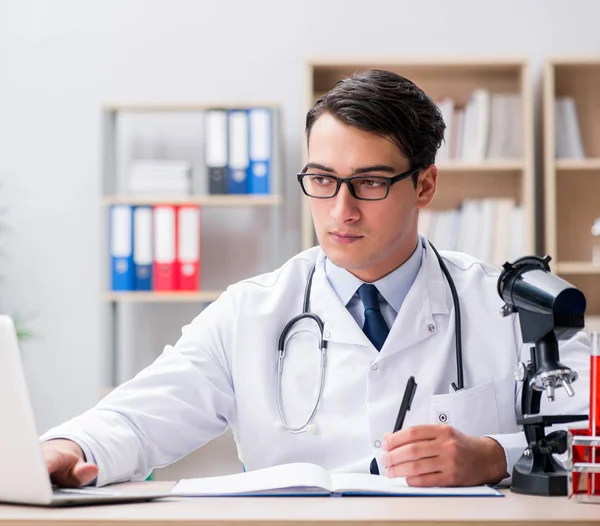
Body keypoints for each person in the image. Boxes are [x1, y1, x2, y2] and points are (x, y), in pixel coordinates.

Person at [42, 69, 591, 490]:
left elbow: (591, 429)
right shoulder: (250, 312)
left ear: (424, 186)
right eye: (323, 180)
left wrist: (497, 455)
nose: (340, 211)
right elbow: (137, 419)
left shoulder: (505, 304)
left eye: (370, 183)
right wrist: (67, 447)